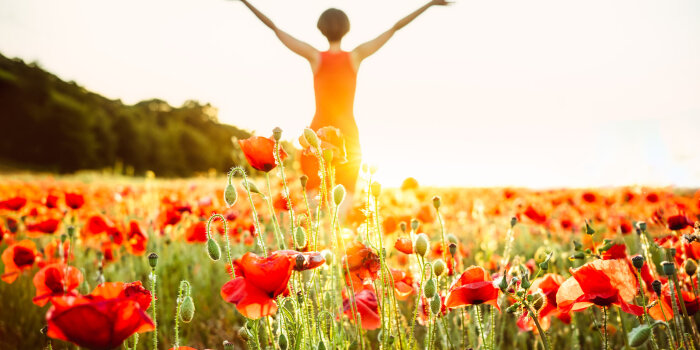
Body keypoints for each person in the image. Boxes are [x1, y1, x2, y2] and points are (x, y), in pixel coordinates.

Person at [238, 0, 451, 200]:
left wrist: (244, 2)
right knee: (344, 201)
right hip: (348, 134)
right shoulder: (355, 56)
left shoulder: (316, 57)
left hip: (316, 135)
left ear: (320, 29)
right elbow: (395, 27)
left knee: (316, 207)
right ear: (347, 29)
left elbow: (275, 28)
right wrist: (429, 4)